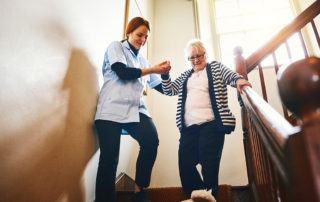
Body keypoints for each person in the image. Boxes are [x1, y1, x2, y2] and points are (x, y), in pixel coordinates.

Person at [161, 39, 251, 199]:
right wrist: (165, 74)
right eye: (191, 57)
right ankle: (200, 196)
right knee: (185, 163)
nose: (195, 60)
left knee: (208, 163)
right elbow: (170, 90)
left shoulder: (215, 67)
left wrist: (239, 80)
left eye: (199, 56)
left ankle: (209, 195)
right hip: (189, 127)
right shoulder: (186, 75)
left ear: (206, 55)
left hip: (212, 125)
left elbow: (230, 75)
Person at [94, 17, 171, 202]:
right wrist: (152, 70)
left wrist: (167, 74)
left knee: (151, 141)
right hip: (110, 109)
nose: (142, 40)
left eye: (146, 37)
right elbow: (122, 71)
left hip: (135, 110)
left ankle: (139, 190)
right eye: (139, 35)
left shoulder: (143, 60)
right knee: (110, 159)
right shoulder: (116, 47)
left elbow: (163, 88)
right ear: (128, 32)